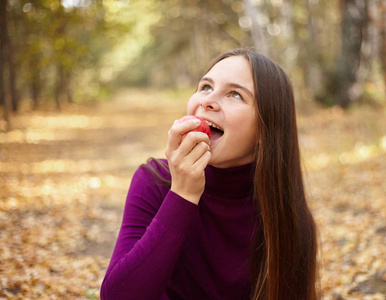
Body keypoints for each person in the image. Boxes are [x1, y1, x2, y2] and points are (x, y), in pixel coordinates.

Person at [100, 48, 318, 300]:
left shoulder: (288, 216)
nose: (207, 100)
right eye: (205, 87)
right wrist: (182, 194)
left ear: (265, 130)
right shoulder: (154, 180)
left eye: (235, 94)